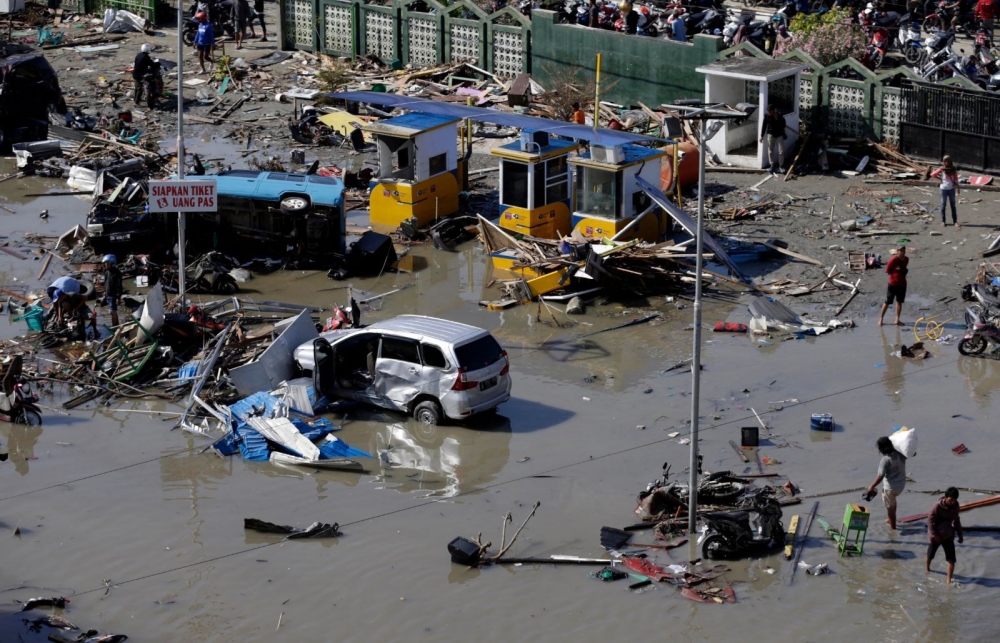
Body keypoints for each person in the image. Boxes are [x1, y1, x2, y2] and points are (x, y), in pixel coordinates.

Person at [865, 436, 907, 530]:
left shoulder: (885, 460)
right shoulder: (901, 454)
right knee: (892, 502)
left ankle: (893, 529)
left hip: (890, 488)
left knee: (890, 508)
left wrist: (871, 486)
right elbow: (913, 453)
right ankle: (889, 519)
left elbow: (880, 476)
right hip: (901, 485)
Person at [927, 487, 963, 584]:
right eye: (951, 500)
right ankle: (927, 569)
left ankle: (948, 580)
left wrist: (960, 534)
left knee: (952, 559)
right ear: (946, 497)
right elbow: (929, 521)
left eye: (955, 500)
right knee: (930, 554)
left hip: (948, 534)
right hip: (936, 534)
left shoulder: (956, 505)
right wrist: (934, 535)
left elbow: (956, 520)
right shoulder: (937, 506)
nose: (953, 502)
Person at [878, 246, 908, 326]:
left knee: (899, 302)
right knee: (887, 301)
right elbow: (887, 271)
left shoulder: (906, 259)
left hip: (902, 284)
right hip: (893, 284)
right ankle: (881, 319)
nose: (902, 253)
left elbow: (904, 267)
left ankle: (897, 319)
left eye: (904, 251)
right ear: (897, 251)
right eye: (901, 251)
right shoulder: (893, 260)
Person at [930, 155, 960, 227]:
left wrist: (958, 189)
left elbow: (956, 180)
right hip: (943, 189)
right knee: (943, 205)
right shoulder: (942, 169)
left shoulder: (953, 169)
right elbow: (933, 174)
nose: (946, 162)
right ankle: (943, 221)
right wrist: (940, 178)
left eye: (948, 161)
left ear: (950, 161)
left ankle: (955, 221)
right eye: (945, 161)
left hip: (951, 189)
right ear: (943, 162)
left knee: (953, 205)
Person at [759, 104, 787, 174]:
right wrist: (762, 136)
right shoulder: (767, 116)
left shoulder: (779, 115)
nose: (769, 112)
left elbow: (783, 124)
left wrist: (776, 118)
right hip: (771, 134)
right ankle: (772, 166)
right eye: (768, 111)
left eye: (770, 111)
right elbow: (764, 125)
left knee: (781, 151)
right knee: (770, 151)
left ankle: (781, 166)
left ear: (773, 110)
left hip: (779, 135)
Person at [101, 254, 123, 327]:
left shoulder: (117, 272)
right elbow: (106, 282)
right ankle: (115, 326)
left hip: (114, 295)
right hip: (108, 294)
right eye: (105, 263)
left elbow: (119, 285)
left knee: (113, 311)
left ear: (112, 263)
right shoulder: (106, 271)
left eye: (107, 263)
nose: (106, 265)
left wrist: (118, 297)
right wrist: (105, 291)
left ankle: (116, 326)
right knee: (112, 312)